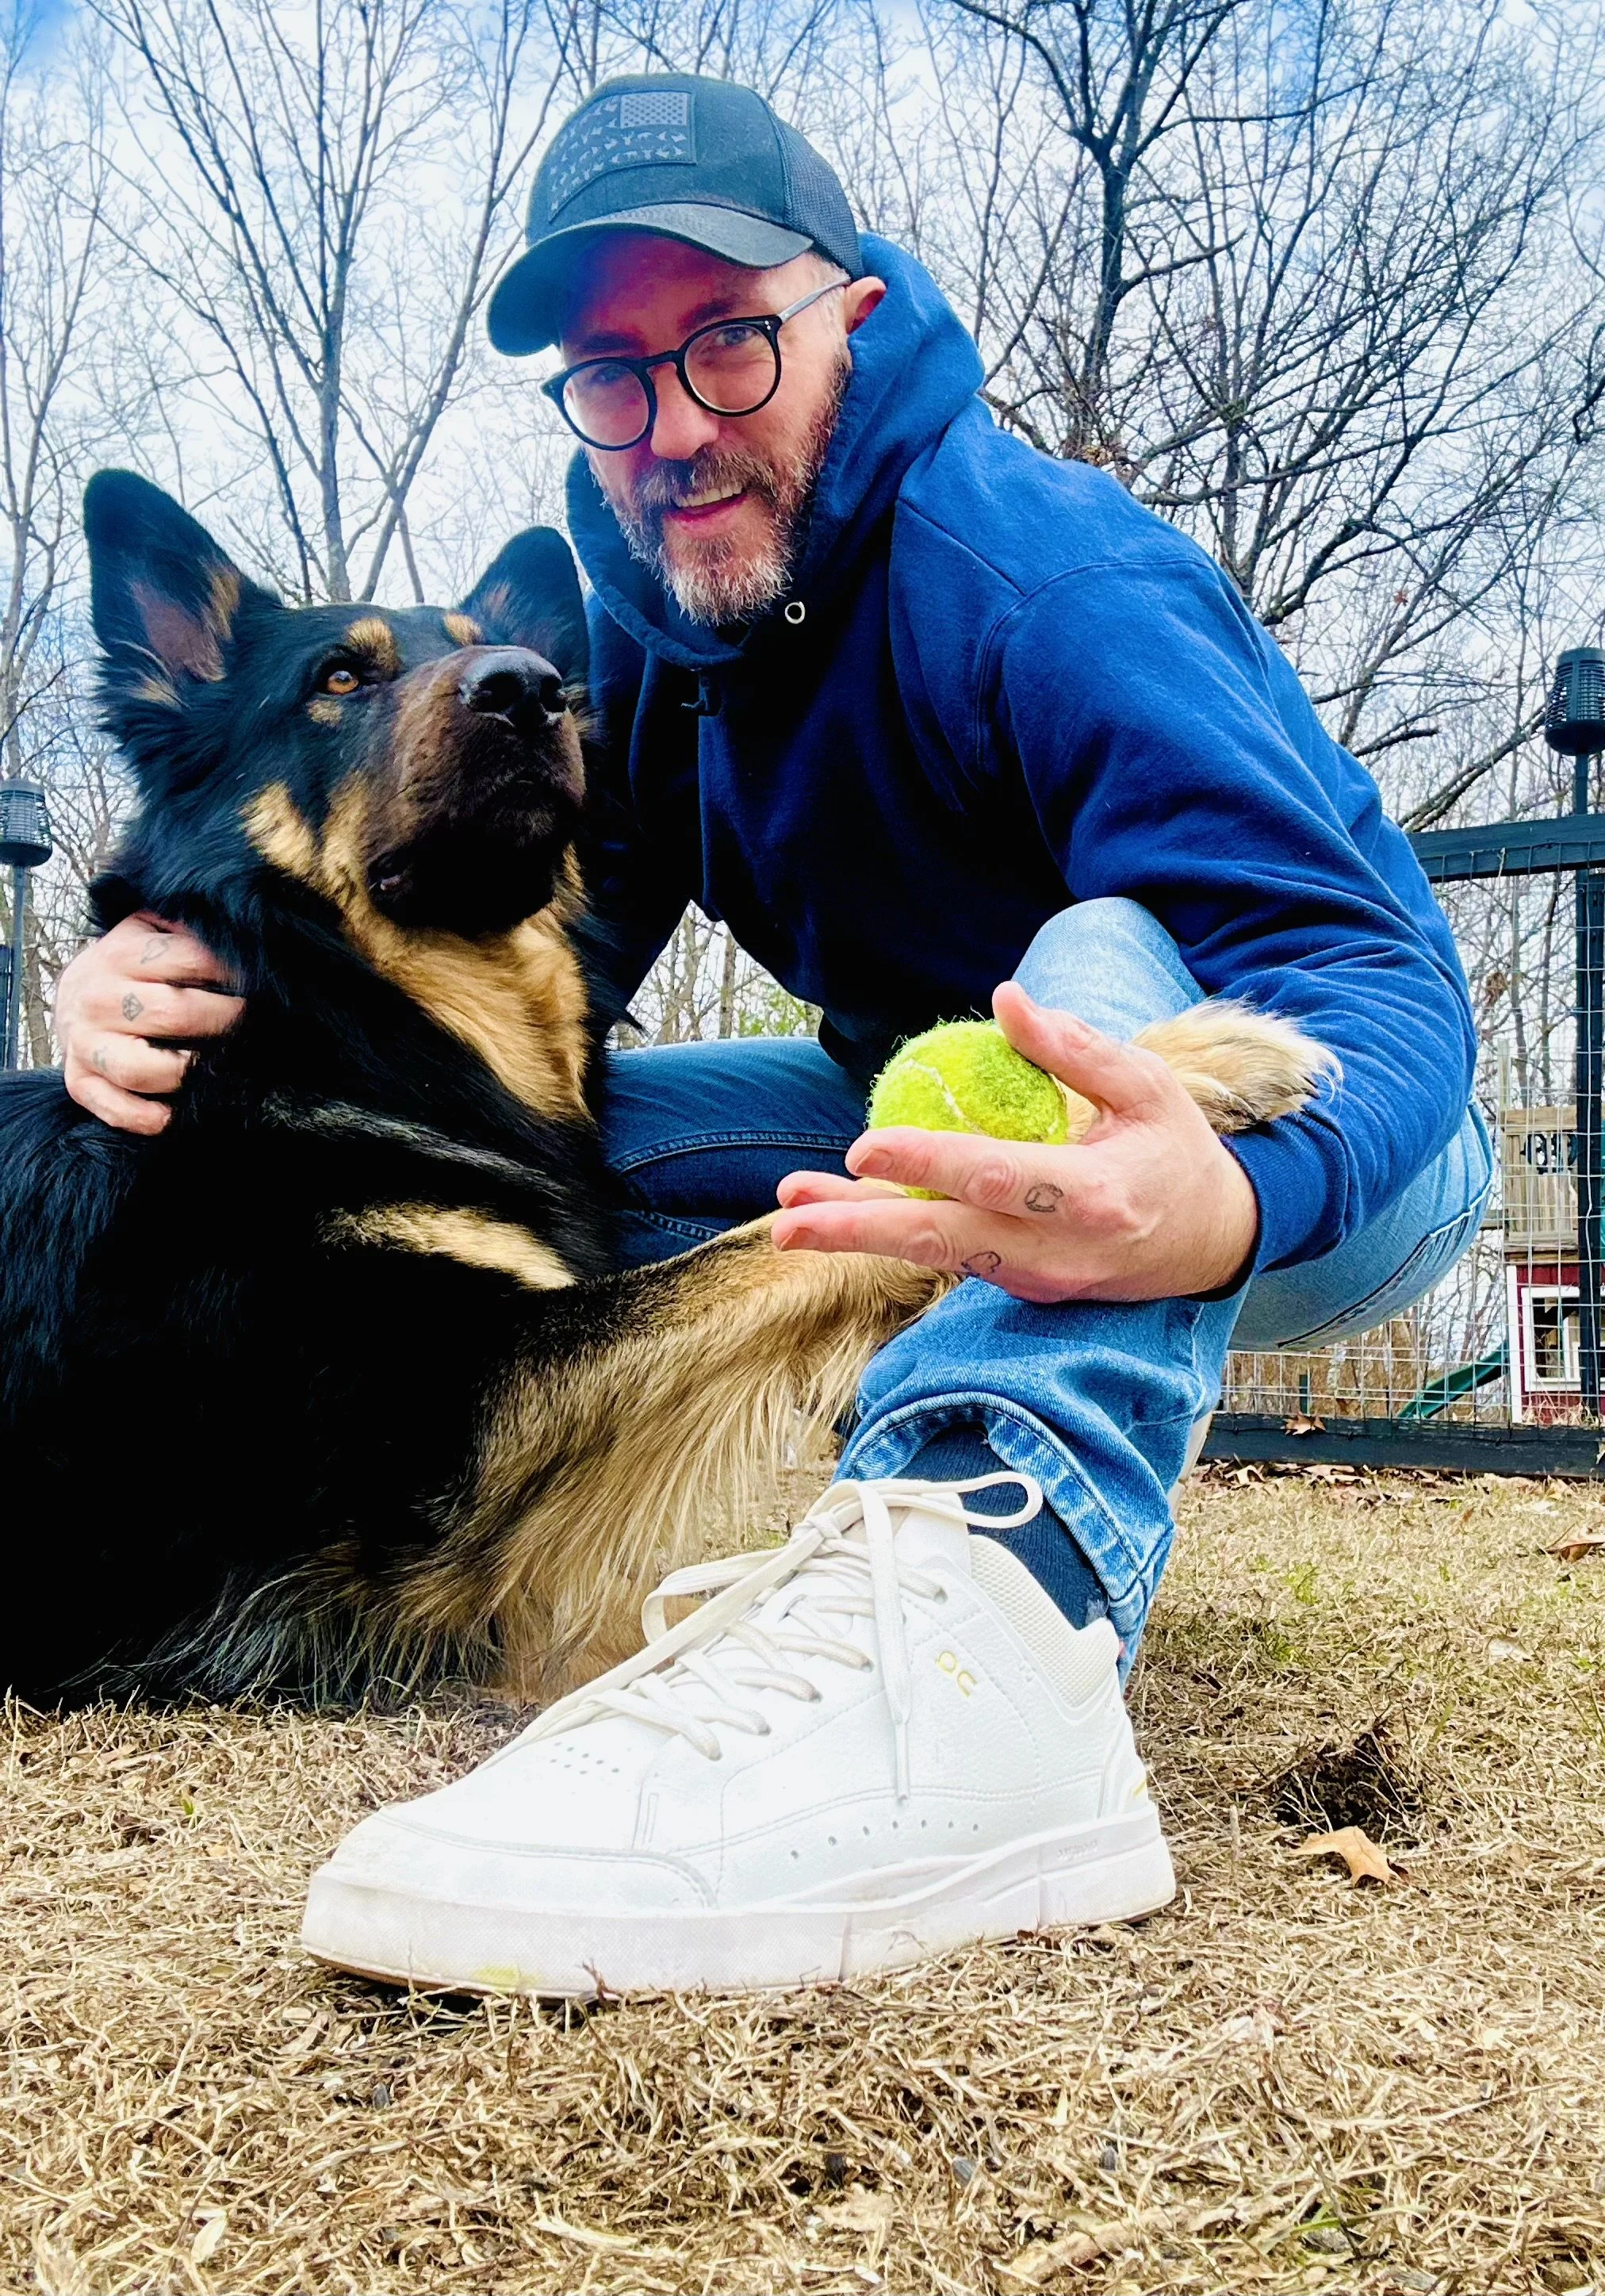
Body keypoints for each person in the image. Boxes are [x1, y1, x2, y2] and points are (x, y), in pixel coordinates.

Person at [54, 73, 1490, 1998]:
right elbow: (541, 1006)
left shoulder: (1044, 583)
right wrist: (145, 958)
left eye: (728, 343)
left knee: (1089, 953)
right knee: (564, 1157)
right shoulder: (636, 632)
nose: (673, 427)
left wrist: (1225, 1192)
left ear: (855, 318)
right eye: (615, 376)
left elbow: (1377, 978)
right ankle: (718, 1512)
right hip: (919, 1097)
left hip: (1309, 1128)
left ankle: (987, 1618)